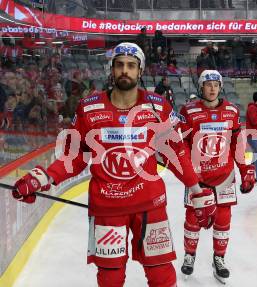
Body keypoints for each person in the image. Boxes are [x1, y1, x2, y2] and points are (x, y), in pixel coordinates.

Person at [11, 42, 217, 287]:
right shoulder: (88, 108)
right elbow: (74, 157)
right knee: (110, 278)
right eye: (119, 65)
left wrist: (196, 190)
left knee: (162, 275)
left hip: (150, 205)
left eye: (131, 66)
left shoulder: (158, 107)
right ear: (112, 68)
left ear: (140, 71)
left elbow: (175, 152)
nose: (125, 70)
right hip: (107, 209)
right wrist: (43, 178)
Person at [177, 70, 256, 284]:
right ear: (201, 87)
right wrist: (188, 174)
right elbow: (181, 145)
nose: (212, 88)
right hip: (197, 179)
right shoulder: (189, 111)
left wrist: (244, 168)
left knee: (223, 221)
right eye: (208, 84)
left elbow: (236, 143)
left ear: (220, 87)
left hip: (224, 177)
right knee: (193, 220)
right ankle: (189, 255)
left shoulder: (231, 111)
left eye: (215, 84)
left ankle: (219, 259)